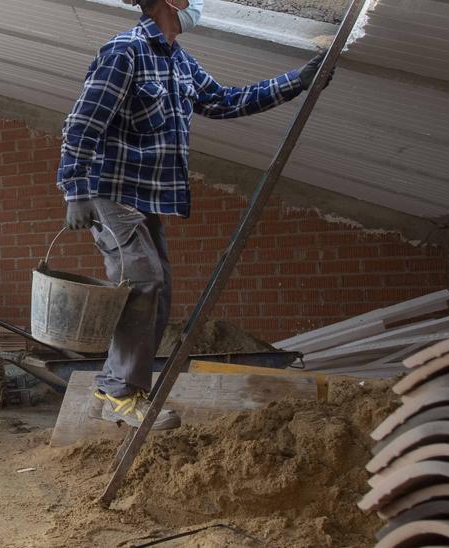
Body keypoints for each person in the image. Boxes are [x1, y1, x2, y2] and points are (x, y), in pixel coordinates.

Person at [57, 0, 332, 429]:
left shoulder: (180, 62)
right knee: (144, 279)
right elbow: (81, 123)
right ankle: (120, 393)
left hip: (147, 196)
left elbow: (224, 101)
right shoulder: (123, 52)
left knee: (159, 289)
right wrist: (74, 189)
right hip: (109, 191)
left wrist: (296, 82)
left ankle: (116, 384)